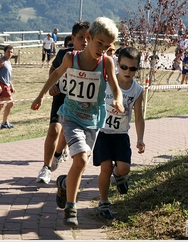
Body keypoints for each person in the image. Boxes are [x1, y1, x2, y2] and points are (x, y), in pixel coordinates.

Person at [31, 17, 124, 226]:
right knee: (81, 160)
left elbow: (116, 86)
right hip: (71, 117)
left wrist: (118, 100)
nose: (102, 49)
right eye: (99, 43)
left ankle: (63, 183)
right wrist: (40, 96)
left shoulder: (106, 62)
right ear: (88, 38)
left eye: (107, 45)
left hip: (93, 120)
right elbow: (55, 74)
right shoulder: (71, 59)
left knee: (80, 164)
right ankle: (71, 208)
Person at [93, 47, 145, 220]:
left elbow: (139, 117)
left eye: (133, 69)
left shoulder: (137, 90)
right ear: (118, 64)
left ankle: (119, 175)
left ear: (138, 68)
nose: (128, 72)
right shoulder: (107, 81)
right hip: (103, 132)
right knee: (105, 168)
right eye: (124, 67)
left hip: (121, 134)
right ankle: (104, 202)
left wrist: (140, 139)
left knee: (124, 168)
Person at [36, 21, 90, 184]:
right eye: (81, 37)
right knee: (54, 129)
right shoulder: (63, 54)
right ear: (73, 38)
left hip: (81, 101)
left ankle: (59, 154)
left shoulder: (94, 59)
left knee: (70, 133)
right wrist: (52, 85)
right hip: (62, 96)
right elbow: (54, 70)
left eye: (88, 37)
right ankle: (46, 168)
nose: (85, 41)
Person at [0, 45, 16, 129]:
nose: (10, 53)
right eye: (8, 52)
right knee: (10, 103)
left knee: (1, 104)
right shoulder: (1, 61)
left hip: (7, 85)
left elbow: (8, 76)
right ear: (4, 52)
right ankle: (4, 122)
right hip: (2, 85)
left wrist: (11, 85)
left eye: (11, 52)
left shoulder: (8, 62)